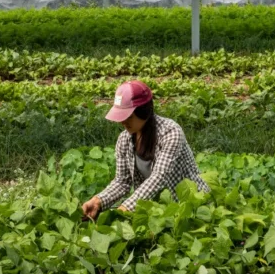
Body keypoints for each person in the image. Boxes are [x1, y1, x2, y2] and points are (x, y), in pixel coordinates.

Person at [82, 80, 209, 216]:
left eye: (128, 116)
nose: (123, 122)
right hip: (156, 209)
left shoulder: (170, 132)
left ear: (144, 111)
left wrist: (125, 209)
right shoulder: (124, 140)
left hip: (190, 206)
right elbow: (122, 181)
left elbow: (159, 177)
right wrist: (98, 201)